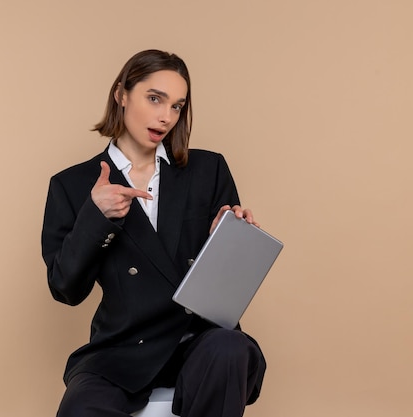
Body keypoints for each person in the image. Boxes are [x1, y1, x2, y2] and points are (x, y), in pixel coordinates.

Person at [41, 49, 267, 417]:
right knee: (80, 407)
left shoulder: (208, 170)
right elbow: (65, 288)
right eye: (154, 98)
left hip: (197, 341)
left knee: (230, 347)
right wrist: (96, 217)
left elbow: (223, 293)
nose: (165, 117)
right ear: (121, 94)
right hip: (121, 348)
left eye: (177, 106)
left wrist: (225, 240)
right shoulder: (72, 184)